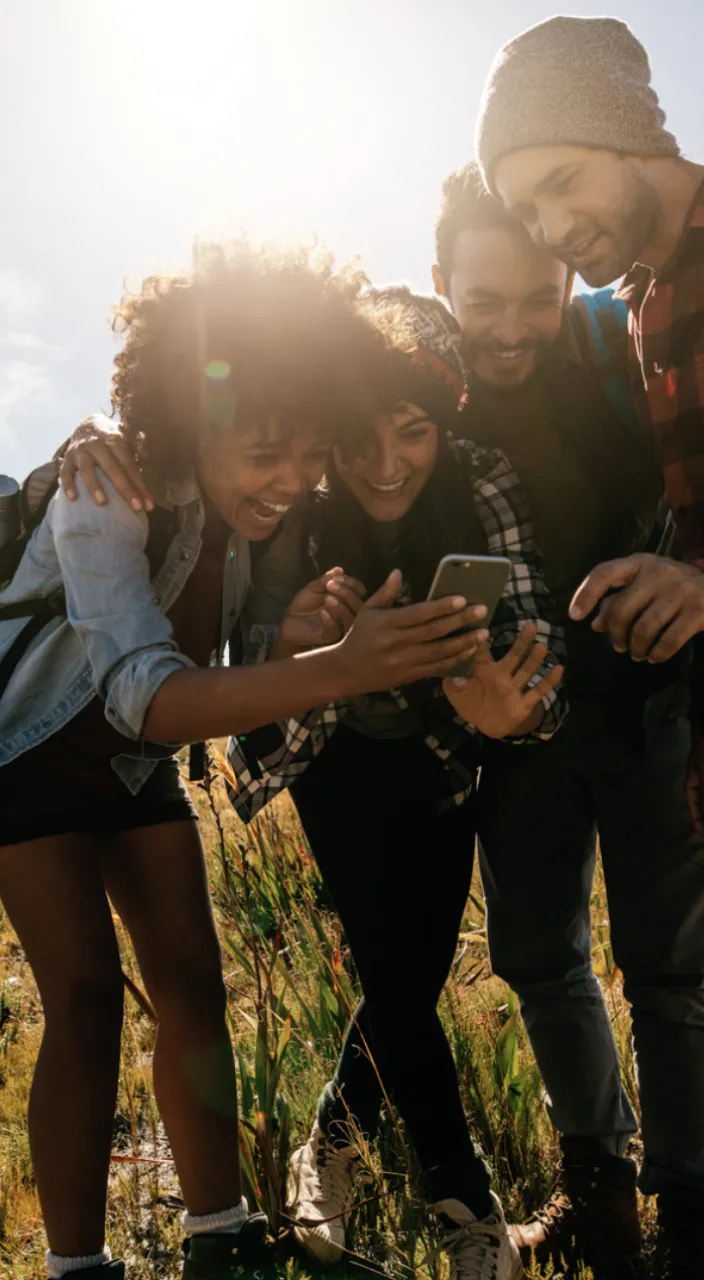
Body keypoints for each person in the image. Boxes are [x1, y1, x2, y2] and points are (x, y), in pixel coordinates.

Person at [0, 243, 493, 1280]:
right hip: (29, 754)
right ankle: (76, 1264)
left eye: (310, 452)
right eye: (267, 453)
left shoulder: (260, 519)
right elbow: (147, 691)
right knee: (85, 996)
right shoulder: (103, 491)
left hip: (136, 770)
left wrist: (299, 640)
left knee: (192, 980)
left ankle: (221, 1238)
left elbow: (230, 670)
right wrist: (335, 669)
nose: (294, 481)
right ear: (193, 418)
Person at [430, 161, 704, 1280]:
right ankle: (597, 1190)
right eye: (482, 301)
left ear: (567, 277)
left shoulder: (626, 345)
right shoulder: (420, 377)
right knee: (542, 959)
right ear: (443, 278)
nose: (510, 330)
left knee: (670, 973)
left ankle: (692, 1210)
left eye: (534, 299)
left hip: (656, 705)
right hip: (519, 730)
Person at [476, 14, 704, 851]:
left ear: (627, 133)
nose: (549, 230)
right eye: (525, 209)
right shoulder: (644, 313)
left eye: (563, 179)